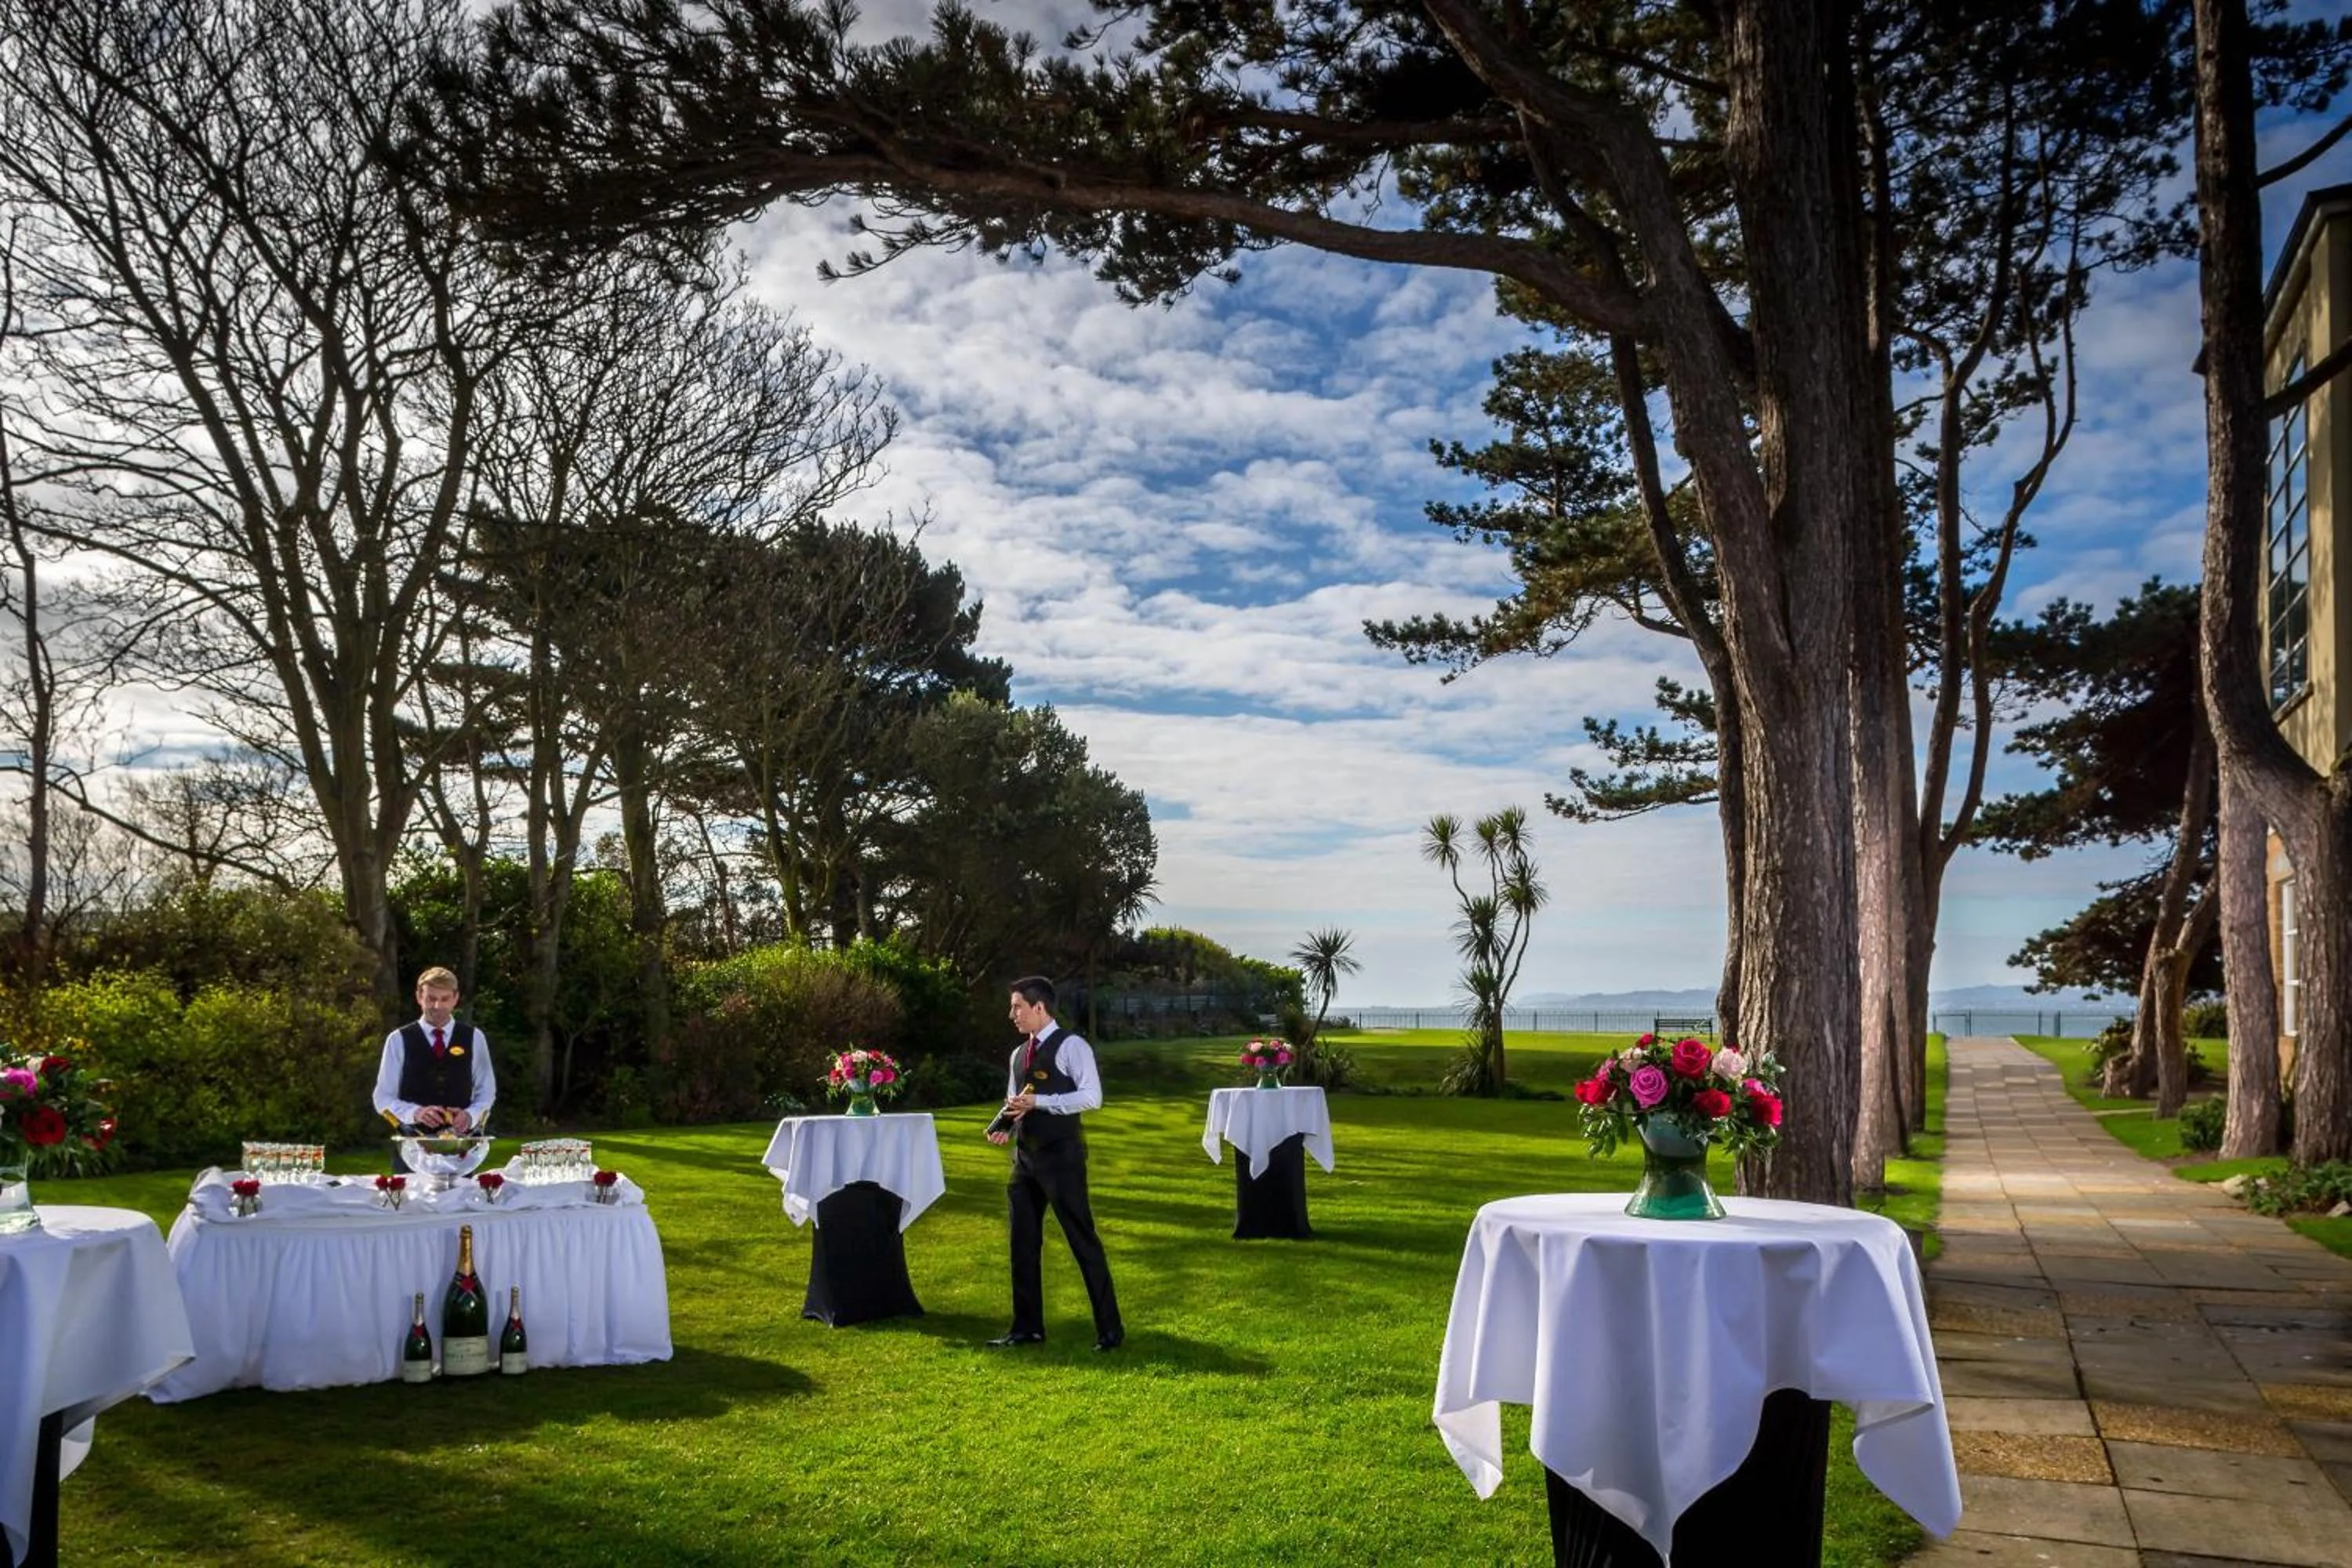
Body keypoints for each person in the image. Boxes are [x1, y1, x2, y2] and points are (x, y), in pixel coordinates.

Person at [985, 975, 1123, 1351]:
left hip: (1063, 1158)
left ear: (1039, 1007)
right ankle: (1027, 1328)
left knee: (1083, 1240)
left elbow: (1092, 1097)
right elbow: (1016, 1100)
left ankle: (1110, 1332)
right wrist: (1003, 1125)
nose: (1011, 1013)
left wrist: (1041, 1103)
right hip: (1025, 1160)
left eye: (1017, 1006)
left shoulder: (1072, 1046)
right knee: (1022, 1244)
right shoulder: (1018, 1054)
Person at [373, 967, 495, 1169]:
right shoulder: (398, 1040)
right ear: (419, 997)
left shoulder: (474, 1038)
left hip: (463, 1155)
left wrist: (470, 1116)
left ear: (455, 999)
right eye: (430, 998)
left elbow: (487, 1092)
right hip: (412, 1155)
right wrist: (415, 1113)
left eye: (445, 999)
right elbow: (383, 1098)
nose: (437, 1006)